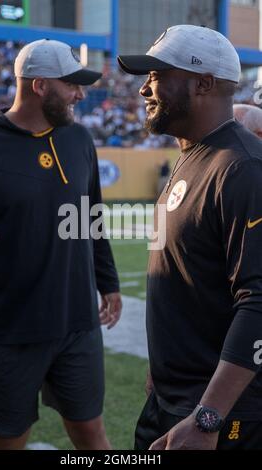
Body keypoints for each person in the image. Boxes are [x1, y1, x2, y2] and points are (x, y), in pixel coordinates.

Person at [0, 39, 122, 450]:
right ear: (39, 86)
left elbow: (92, 219)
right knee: (9, 439)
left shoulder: (79, 141)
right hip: (9, 332)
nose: (80, 95)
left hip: (78, 325)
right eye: (71, 85)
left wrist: (109, 282)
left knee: (91, 434)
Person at [118, 25, 262, 450]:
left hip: (218, 414)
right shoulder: (194, 157)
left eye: (158, 75)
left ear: (203, 83)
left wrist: (208, 418)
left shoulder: (242, 169)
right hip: (172, 398)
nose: (145, 89)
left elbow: (258, 300)